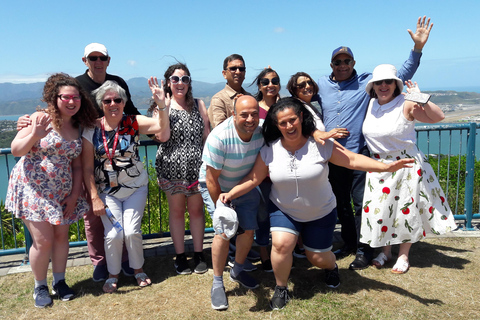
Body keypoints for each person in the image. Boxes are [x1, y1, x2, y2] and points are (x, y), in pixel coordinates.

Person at [218, 97, 414, 310]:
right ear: (276, 125)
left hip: (320, 211)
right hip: (284, 210)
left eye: (292, 120)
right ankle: (281, 287)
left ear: (301, 117)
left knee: (317, 258)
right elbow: (254, 179)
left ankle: (332, 267)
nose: (288, 126)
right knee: (281, 244)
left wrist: (385, 167)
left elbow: (352, 159)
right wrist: (230, 194)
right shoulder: (269, 150)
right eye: (282, 123)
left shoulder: (321, 145)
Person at [316, 16, 433, 270]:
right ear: (332, 65)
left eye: (347, 61)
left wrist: (417, 49)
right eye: (338, 62)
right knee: (340, 203)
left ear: (354, 63)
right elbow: (300, 96)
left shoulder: (366, 82)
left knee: (362, 204)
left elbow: (397, 76)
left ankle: (363, 250)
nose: (343, 65)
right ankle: (348, 242)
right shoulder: (322, 85)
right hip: (333, 154)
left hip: (360, 154)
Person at [6, 73, 97, 307]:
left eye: (75, 97)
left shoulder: (77, 125)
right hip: (32, 188)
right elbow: (16, 149)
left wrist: (75, 194)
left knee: (61, 237)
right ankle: (40, 286)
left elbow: (77, 165)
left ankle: (60, 281)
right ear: (54, 98)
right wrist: (35, 135)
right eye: (65, 97)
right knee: (43, 240)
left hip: (62, 190)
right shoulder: (40, 119)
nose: (71, 101)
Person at [360, 64, 457, 273]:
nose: (383, 85)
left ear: (396, 85)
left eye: (388, 82)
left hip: (405, 165)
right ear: (373, 86)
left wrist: (421, 97)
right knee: (382, 209)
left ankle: (403, 255)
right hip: (379, 166)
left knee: (405, 211)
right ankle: (385, 252)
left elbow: (438, 117)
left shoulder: (406, 103)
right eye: (379, 82)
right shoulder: (370, 105)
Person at [82, 80, 167, 293]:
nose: (113, 104)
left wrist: (162, 105)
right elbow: (86, 168)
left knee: (130, 231)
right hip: (106, 192)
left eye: (117, 99)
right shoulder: (91, 128)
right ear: (101, 104)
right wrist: (94, 197)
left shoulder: (133, 122)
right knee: (113, 234)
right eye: (107, 100)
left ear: (124, 101)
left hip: (135, 188)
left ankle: (138, 269)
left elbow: (160, 127)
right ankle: (113, 274)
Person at [148, 63, 210, 275]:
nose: (180, 83)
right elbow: (163, 137)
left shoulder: (200, 105)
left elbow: (206, 137)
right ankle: (181, 255)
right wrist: (162, 106)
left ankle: (199, 253)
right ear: (168, 83)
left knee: (196, 211)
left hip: (196, 168)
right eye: (175, 79)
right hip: (170, 169)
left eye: (184, 79)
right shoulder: (161, 107)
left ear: (189, 82)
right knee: (176, 212)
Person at [203, 95, 264, 310]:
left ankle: (237, 270)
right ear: (233, 115)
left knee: (248, 230)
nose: (250, 119)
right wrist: (222, 207)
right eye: (244, 115)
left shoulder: (263, 130)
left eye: (254, 114)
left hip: (245, 184)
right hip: (216, 185)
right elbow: (210, 179)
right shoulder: (219, 137)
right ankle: (217, 282)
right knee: (223, 231)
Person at [207, 54, 249, 128]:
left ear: (244, 73)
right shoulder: (218, 99)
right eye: (233, 69)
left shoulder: (250, 98)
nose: (238, 72)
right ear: (224, 74)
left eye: (241, 69)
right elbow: (219, 129)